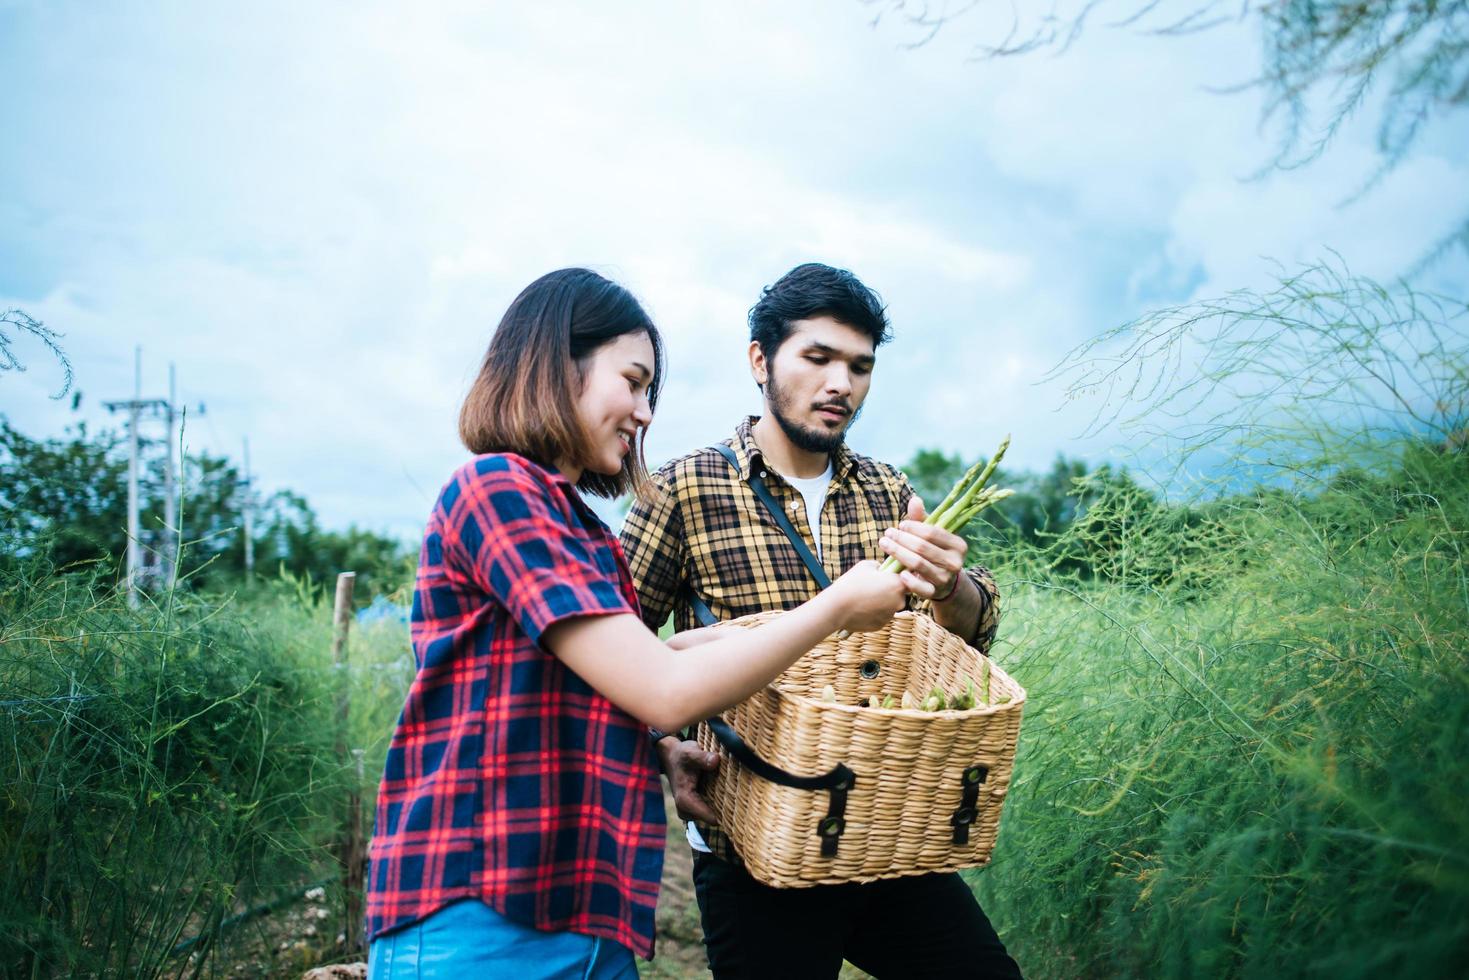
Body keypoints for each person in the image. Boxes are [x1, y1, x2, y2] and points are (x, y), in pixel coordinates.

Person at [364, 268, 912, 979]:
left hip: (590, 914)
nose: (644, 411)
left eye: (649, 390)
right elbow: (663, 687)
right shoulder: (496, 488)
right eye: (632, 380)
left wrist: (660, 749)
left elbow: (604, 676)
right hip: (482, 913)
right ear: (556, 367)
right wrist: (836, 605)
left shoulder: (583, 532)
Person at [620, 262, 1023, 978]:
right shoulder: (681, 489)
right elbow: (617, 648)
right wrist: (661, 745)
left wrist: (950, 585)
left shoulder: (887, 488)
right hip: (755, 843)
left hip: (884, 827)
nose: (840, 382)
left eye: (859, 366)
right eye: (817, 358)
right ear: (759, 360)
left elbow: (969, 633)